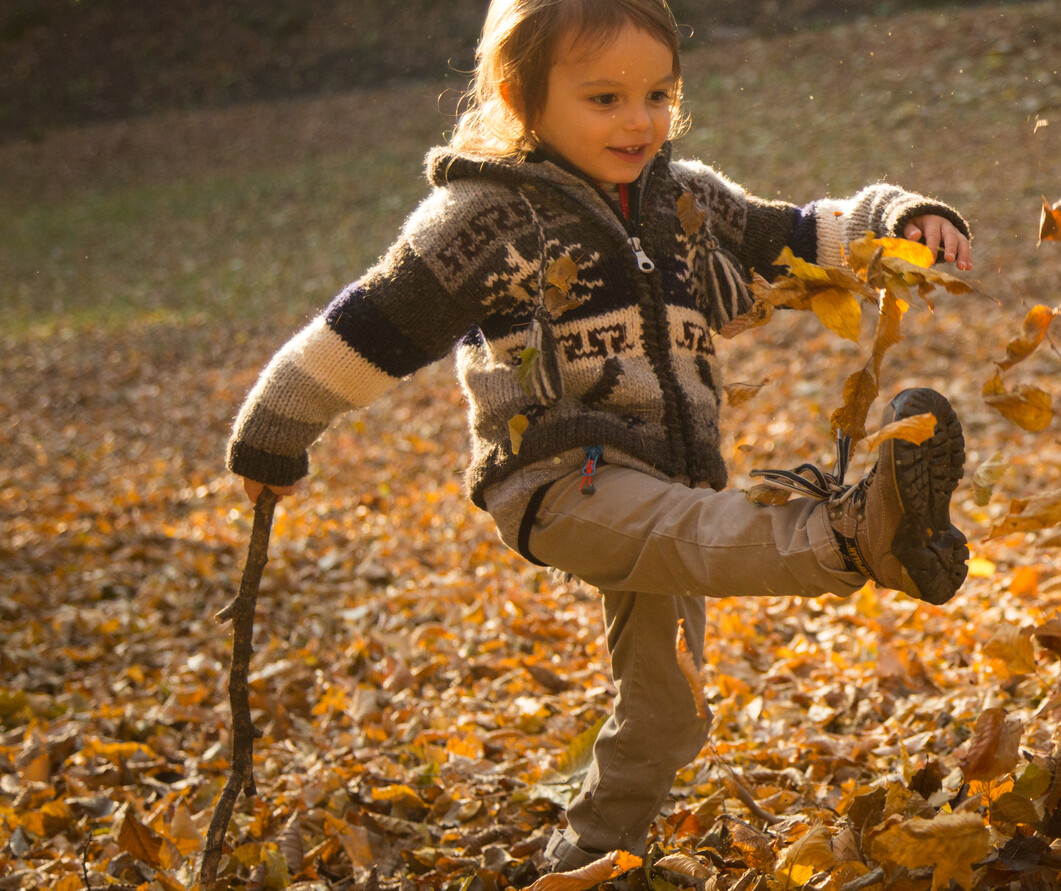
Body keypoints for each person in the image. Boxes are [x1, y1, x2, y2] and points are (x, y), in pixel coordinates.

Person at [224, 0, 974, 872]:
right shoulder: (483, 220)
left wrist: (895, 219)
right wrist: (274, 432)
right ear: (521, 94)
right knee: (695, 534)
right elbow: (366, 330)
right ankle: (854, 532)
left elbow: (798, 236)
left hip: (670, 477)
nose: (640, 120)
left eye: (658, 93)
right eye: (605, 97)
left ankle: (583, 857)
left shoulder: (686, 201)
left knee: (671, 708)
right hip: (558, 475)